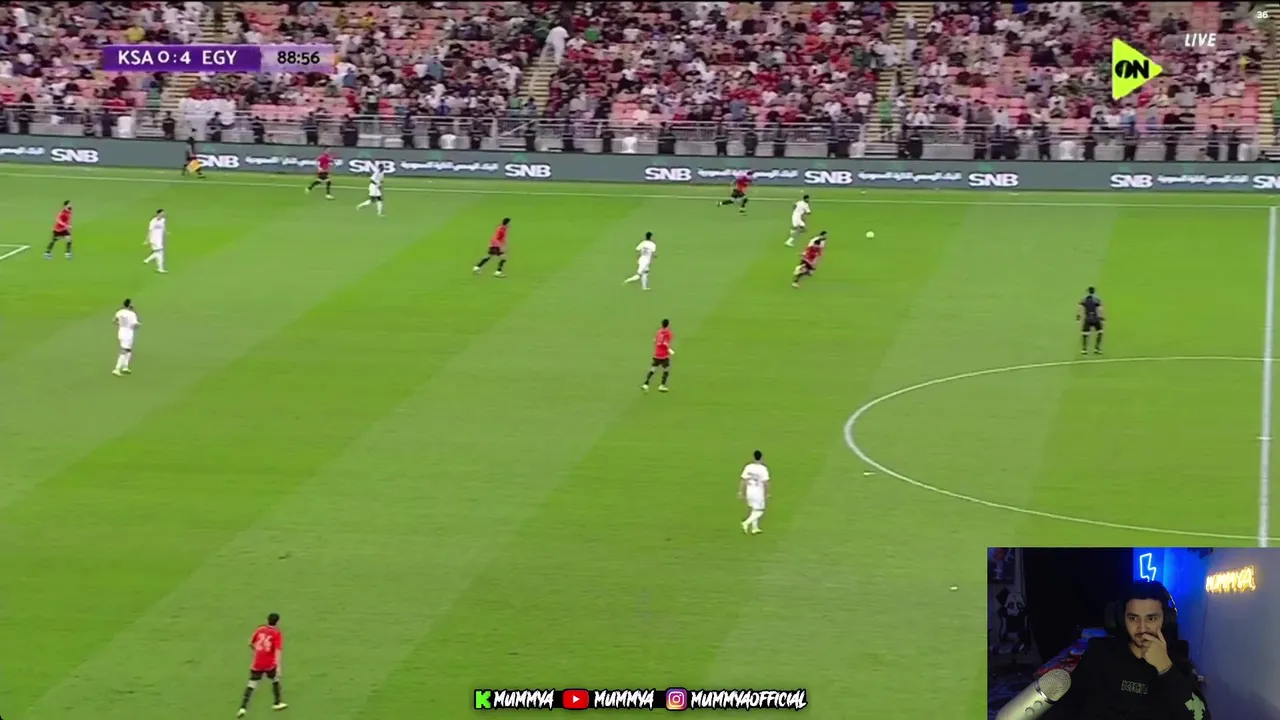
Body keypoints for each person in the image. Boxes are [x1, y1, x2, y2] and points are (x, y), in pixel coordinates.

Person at [1044, 581, 1209, 719]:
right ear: (1121, 620)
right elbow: (1067, 703)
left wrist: (1165, 668)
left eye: (1151, 618)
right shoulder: (1099, 653)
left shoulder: (1177, 662)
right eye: (1133, 618)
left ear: (1167, 620)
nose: (1142, 628)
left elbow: (1200, 717)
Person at [238, 613, 287, 716]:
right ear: (277, 622)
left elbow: (251, 643)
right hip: (269, 664)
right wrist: (278, 667)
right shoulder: (276, 633)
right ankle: (277, 703)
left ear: (267, 620)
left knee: (251, 684)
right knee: (275, 679)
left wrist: (258, 651)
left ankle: (243, 708)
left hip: (257, 663)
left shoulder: (260, 629)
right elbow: (277, 651)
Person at [738, 450, 770, 534]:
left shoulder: (748, 467)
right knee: (760, 511)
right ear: (761, 458)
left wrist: (741, 491)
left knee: (754, 509)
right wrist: (767, 493)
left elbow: (743, 480)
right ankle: (746, 522)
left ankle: (754, 528)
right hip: (758, 492)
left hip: (749, 491)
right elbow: (766, 482)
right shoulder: (763, 469)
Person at [641, 319, 673, 393]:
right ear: (668, 324)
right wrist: (669, 350)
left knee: (653, 369)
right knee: (666, 369)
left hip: (657, 354)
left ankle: (646, 384)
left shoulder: (658, 332)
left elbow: (655, 340)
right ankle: (662, 385)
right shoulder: (668, 333)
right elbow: (665, 343)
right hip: (664, 355)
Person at [112, 298, 139, 376]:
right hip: (128, 334)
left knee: (128, 350)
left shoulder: (119, 312)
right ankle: (117, 369)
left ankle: (125, 367)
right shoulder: (132, 314)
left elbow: (114, 321)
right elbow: (135, 325)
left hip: (121, 332)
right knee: (124, 350)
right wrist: (138, 325)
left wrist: (121, 324)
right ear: (129, 305)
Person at [1078, 287, 1104, 355]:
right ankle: (1097, 348)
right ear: (1094, 292)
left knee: (1085, 333)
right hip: (1095, 317)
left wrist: (1078, 316)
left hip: (1087, 317)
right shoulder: (1097, 299)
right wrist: (1101, 317)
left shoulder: (1084, 299)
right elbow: (1100, 309)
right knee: (1100, 332)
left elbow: (1080, 307)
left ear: (1088, 291)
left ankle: (1084, 349)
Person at [143, 209, 167, 273]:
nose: (163, 214)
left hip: (160, 239)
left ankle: (159, 268)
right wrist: (147, 240)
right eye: (162, 213)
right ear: (158, 214)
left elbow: (163, 228)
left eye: (163, 213)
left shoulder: (163, 220)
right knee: (159, 253)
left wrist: (166, 232)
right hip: (154, 239)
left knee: (160, 254)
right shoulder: (153, 221)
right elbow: (149, 231)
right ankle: (148, 260)